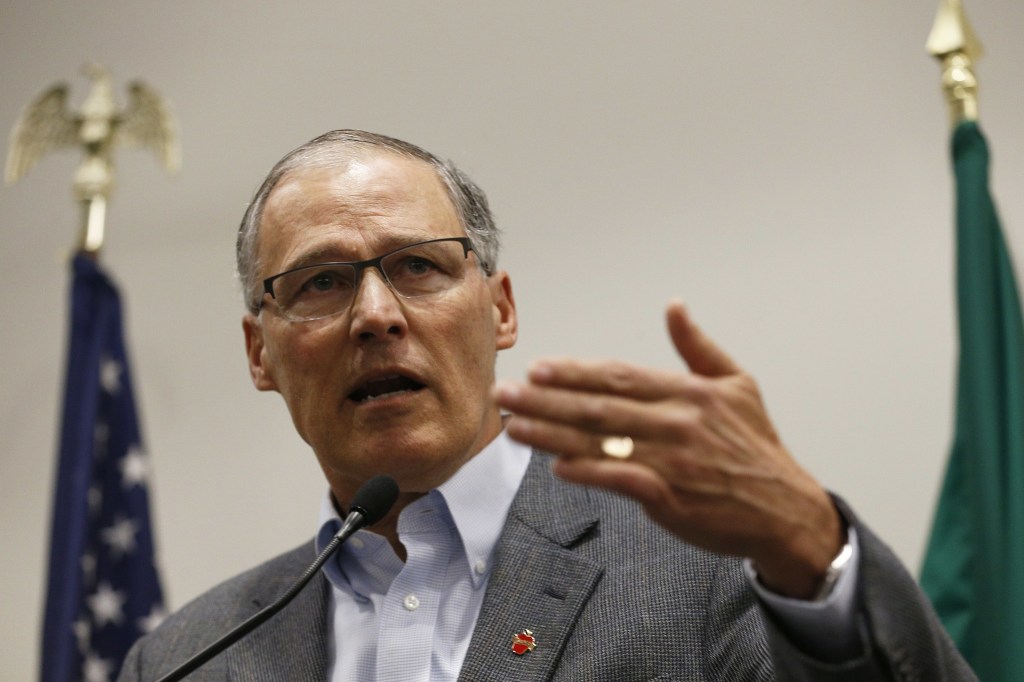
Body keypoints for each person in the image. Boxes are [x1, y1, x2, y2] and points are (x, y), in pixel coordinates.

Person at [119, 130, 974, 681]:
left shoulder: (707, 569)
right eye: (320, 282)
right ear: (258, 353)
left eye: (418, 265)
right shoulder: (186, 658)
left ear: (499, 310)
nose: (375, 315)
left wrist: (817, 554)